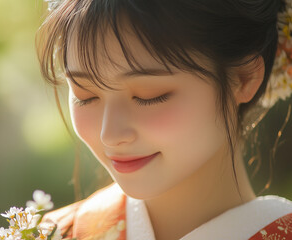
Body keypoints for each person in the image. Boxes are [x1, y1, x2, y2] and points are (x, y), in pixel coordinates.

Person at [35, 0, 292, 239]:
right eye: (85, 96)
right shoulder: (49, 233)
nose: (109, 134)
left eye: (149, 96)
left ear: (243, 78)